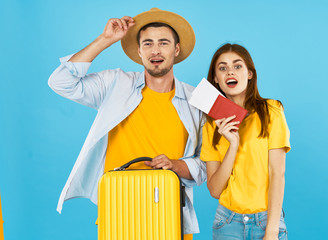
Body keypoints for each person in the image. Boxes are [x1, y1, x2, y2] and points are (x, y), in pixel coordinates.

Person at [48, 8, 206, 239]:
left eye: (163, 43)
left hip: (170, 215)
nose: (155, 50)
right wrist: (105, 40)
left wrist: (175, 165)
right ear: (139, 51)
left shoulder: (197, 101)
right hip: (118, 212)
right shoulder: (116, 84)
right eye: (148, 44)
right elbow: (60, 82)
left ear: (176, 49)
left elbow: (207, 165)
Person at [200, 43, 290, 240]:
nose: (230, 72)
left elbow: (278, 173)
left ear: (249, 73)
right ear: (216, 79)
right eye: (222, 68)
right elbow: (214, 190)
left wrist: (272, 231)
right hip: (227, 223)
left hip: (267, 220)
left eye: (237, 66)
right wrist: (232, 145)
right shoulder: (210, 125)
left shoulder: (271, 111)